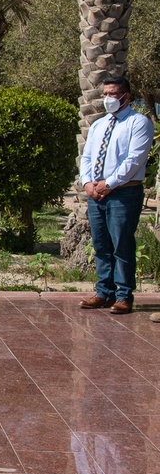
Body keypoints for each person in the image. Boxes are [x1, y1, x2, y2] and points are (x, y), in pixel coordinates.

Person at [78, 75, 153, 315]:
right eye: (105, 94)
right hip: (96, 195)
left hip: (124, 193)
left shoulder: (138, 123)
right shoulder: (99, 124)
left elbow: (134, 160)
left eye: (113, 94)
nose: (108, 98)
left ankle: (123, 296)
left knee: (122, 243)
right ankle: (104, 292)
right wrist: (87, 182)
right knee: (101, 244)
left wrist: (108, 184)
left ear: (126, 96)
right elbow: (87, 156)